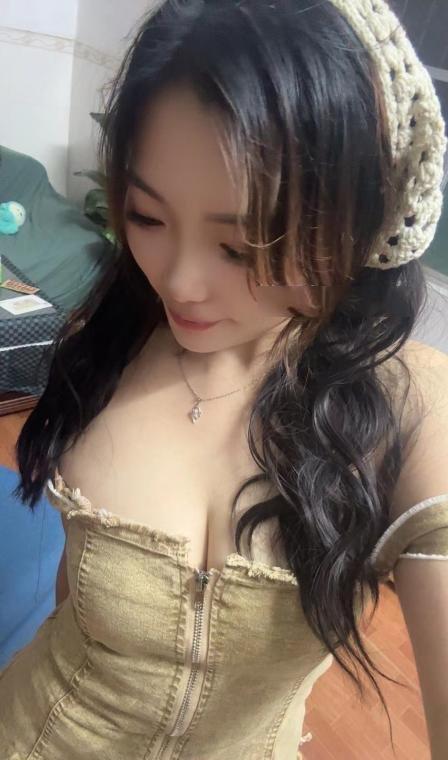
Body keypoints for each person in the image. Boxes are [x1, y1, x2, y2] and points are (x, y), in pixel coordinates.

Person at [1, 1, 447, 758]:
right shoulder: (106, 344)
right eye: (147, 217)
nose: (178, 282)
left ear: (356, 222)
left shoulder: (413, 407)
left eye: (242, 248)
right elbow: (70, 600)